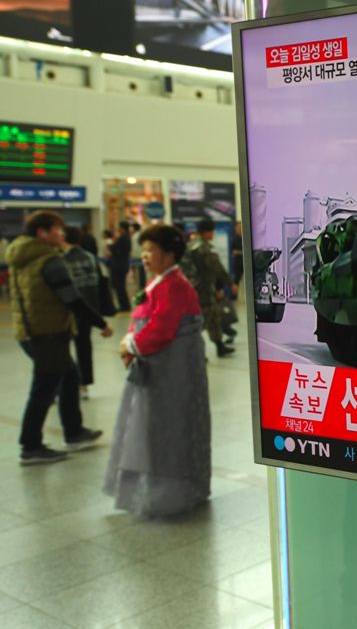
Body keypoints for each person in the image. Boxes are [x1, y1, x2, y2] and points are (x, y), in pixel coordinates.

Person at [104, 224, 211, 516]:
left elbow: (162, 328)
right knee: (151, 428)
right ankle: (151, 491)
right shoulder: (158, 282)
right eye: (145, 250)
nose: (146, 256)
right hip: (156, 368)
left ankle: (172, 494)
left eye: (151, 250)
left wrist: (131, 345)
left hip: (172, 372)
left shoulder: (175, 285)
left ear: (170, 253)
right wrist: (130, 340)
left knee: (168, 429)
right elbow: (141, 319)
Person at [6, 211, 112, 464]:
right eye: (57, 229)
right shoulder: (49, 261)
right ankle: (31, 446)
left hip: (30, 331)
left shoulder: (21, 257)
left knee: (68, 377)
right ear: (42, 233)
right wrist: (100, 322)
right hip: (48, 334)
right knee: (44, 388)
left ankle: (74, 431)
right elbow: (72, 298)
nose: (62, 234)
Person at [181, 218, 235, 357]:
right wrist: (230, 283)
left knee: (208, 319)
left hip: (192, 290)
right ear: (206, 232)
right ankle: (201, 352)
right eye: (211, 231)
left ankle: (217, 347)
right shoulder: (204, 248)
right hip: (203, 290)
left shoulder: (190, 245)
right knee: (206, 320)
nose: (213, 234)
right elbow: (216, 268)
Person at [63, 226, 103, 400]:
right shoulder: (90, 257)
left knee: (63, 349)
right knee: (84, 346)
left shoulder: (62, 260)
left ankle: (63, 386)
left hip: (70, 311)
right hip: (89, 308)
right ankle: (84, 385)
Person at [109, 221, 132, 311]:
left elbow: (115, 249)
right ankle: (124, 304)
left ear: (122, 228)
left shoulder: (123, 238)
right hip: (122, 264)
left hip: (119, 266)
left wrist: (113, 245)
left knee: (119, 286)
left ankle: (124, 305)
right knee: (119, 286)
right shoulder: (126, 238)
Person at [130, 222, 144, 290]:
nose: (131, 229)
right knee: (140, 272)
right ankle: (141, 285)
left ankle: (141, 286)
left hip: (138, 256)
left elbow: (136, 247)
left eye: (132, 227)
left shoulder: (136, 236)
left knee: (140, 272)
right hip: (138, 256)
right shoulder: (137, 235)